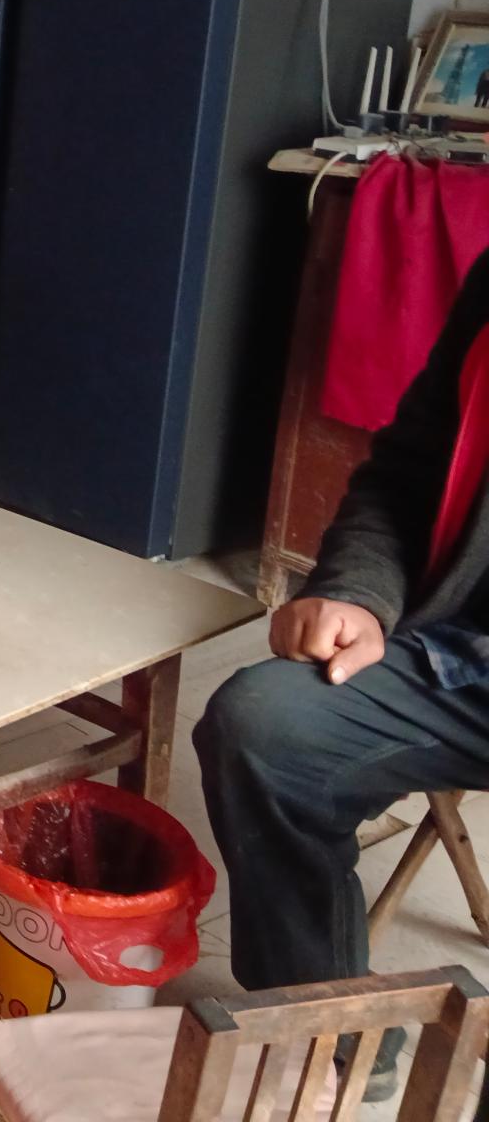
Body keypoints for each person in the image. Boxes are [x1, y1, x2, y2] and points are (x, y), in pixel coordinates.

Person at [195, 245, 489, 1100]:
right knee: (265, 727)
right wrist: (357, 594)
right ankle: (334, 1030)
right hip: (462, 655)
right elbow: (406, 472)